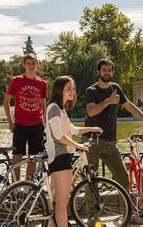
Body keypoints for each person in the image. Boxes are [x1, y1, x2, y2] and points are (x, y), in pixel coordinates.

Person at [83, 59, 143, 222]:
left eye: (109, 70)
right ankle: (92, 218)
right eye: (104, 70)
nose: (107, 72)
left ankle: (128, 215)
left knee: (123, 178)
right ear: (98, 72)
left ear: (112, 72)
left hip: (110, 142)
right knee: (91, 181)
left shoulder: (116, 88)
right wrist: (108, 101)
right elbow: (91, 111)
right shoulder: (91, 90)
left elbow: (128, 105)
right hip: (91, 140)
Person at [45, 76, 102, 227]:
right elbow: (58, 135)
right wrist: (78, 145)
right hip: (60, 157)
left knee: (55, 202)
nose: (73, 91)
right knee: (62, 204)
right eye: (68, 88)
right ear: (59, 90)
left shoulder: (60, 109)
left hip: (60, 157)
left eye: (74, 88)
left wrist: (92, 128)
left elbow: (72, 130)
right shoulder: (54, 108)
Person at [3, 53, 48, 181]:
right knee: (17, 156)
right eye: (28, 63)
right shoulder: (16, 80)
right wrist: (10, 121)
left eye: (34, 63)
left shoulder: (42, 83)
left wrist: (44, 119)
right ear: (24, 64)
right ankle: (15, 187)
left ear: (37, 65)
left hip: (37, 125)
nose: (31, 66)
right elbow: (6, 100)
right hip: (20, 125)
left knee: (33, 157)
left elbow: (43, 102)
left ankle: (28, 186)